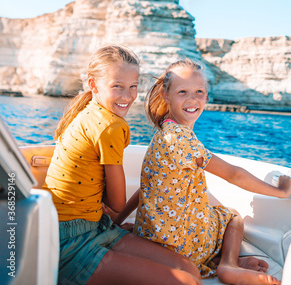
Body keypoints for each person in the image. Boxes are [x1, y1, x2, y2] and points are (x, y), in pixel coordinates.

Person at [43, 46, 201, 285]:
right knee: (188, 280)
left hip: (93, 226)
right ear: (94, 85)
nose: (127, 96)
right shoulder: (111, 127)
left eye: (133, 87)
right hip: (70, 242)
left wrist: (112, 224)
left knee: (190, 270)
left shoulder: (89, 111)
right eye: (117, 86)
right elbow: (116, 204)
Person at [133, 59, 291, 285]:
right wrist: (280, 192)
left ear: (207, 96)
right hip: (182, 245)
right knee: (232, 216)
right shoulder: (182, 140)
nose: (192, 99)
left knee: (207, 212)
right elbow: (234, 175)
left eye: (199, 91)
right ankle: (228, 264)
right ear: (166, 95)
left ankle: (225, 261)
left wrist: (120, 217)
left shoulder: (163, 132)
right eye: (183, 92)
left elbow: (146, 185)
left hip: (154, 238)